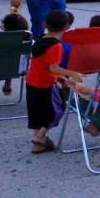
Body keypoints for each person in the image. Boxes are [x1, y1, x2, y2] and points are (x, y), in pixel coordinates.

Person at [27, 10, 83, 154]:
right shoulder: (56, 45)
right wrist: (72, 74)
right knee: (56, 110)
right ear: (66, 28)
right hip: (46, 85)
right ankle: (40, 137)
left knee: (36, 112)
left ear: (45, 24)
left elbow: (42, 65)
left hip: (32, 82)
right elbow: (53, 68)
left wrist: (62, 79)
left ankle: (37, 143)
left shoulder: (39, 39)